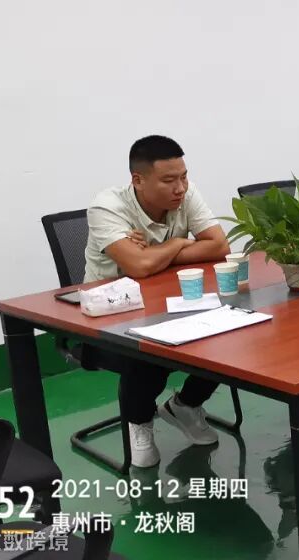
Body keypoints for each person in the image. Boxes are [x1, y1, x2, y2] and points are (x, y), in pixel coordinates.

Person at [84, 135, 230, 467]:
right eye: (169, 180)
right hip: (108, 319)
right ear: (138, 180)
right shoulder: (107, 207)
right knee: (148, 351)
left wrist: (155, 251)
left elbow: (219, 246)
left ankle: (186, 405)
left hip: (171, 303)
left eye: (184, 177)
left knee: (226, 330)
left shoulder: (185, 193)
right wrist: (179, 243)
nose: (180, 188)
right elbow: (138, 267)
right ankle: (139, 423)